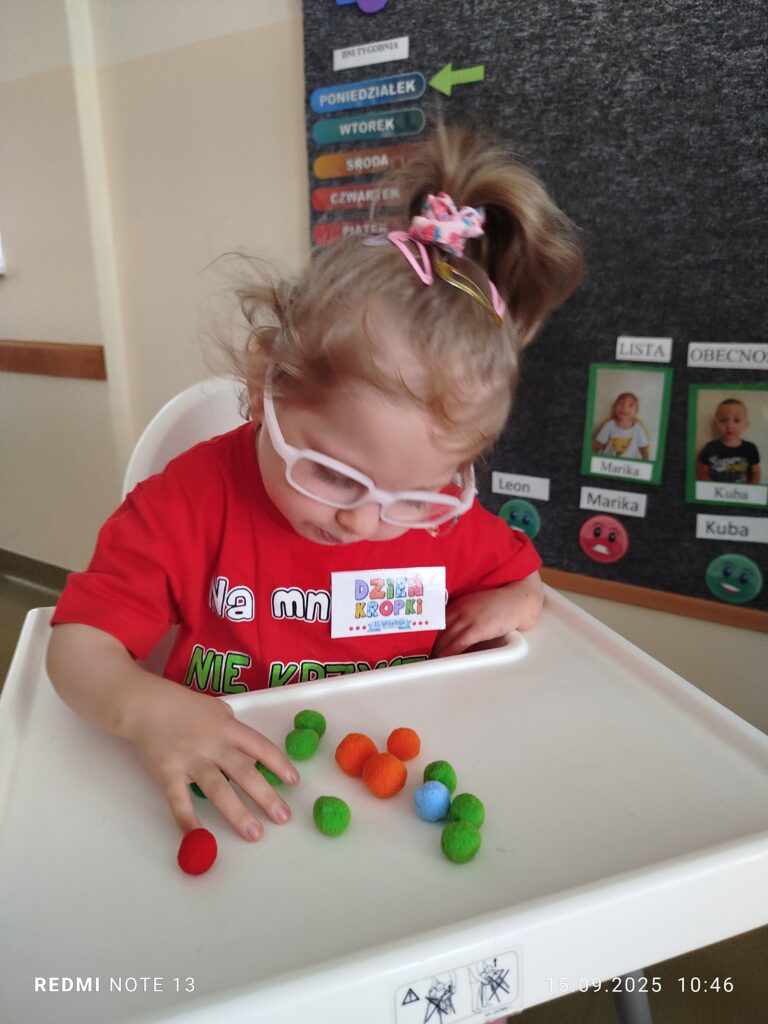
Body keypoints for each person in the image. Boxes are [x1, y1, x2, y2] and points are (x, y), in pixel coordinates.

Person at [47, 124, 583, 845]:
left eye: (413, 496)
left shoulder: (441, 522)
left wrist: (520, 599)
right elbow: (76, 649)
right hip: (234, 792)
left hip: (382, 805)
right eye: (332, 474)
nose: (363, 523)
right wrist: (147, 710)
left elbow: (519, 573)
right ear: (263, 382)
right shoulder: (190, 502)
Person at [696, 398, 761, 484]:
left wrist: (749, 489)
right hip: (716, 491)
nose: (729, 426)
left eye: (736, 420)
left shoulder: (750, 448)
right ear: (716, 425)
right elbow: (702, 471)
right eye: (723, 421)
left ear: (745, 425)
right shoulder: (710, 447)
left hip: (742, 491)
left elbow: (756, 473)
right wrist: (712, 488)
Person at [592, 392, 650, 460]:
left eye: (630, 405)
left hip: (628, 465)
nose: (624, 408)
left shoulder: (638, 429)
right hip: (607, 462)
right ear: (615, 407)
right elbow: (597, 445)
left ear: (636, 411)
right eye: (621, 404)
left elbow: (644, 450)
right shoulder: (609, 425)